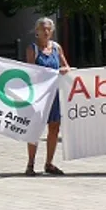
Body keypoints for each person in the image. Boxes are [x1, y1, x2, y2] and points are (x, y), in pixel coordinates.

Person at [25, 17, 71, 176]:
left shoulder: (57, 48)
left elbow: (65, 66)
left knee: (54, 127)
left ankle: (49, 163)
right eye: (42, 29)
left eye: (48, 29)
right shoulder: (32, 49)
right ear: (36, 31)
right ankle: (30, 164)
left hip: (55, 93)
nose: (45, 32)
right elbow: (31, 72)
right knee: (35, 129)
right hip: (39, 94)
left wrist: (64, 70)